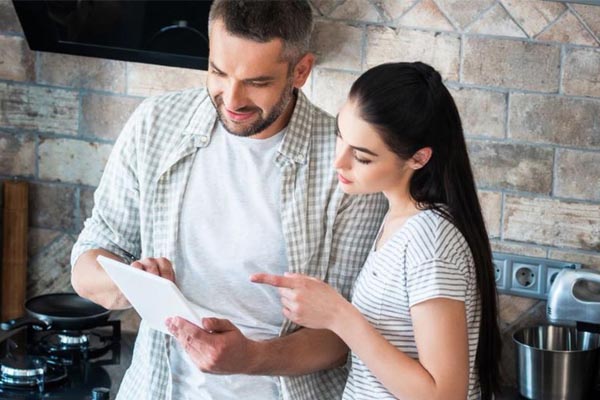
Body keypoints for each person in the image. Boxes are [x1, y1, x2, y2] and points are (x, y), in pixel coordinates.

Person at [70, 1, 387, 400]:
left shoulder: (345, 163)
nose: (232, 99)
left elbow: (343, 337)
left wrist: (249, 358)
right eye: (218, 72)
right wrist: (132, 283)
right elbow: (85, 265)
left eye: (257, 82)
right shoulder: (154, 124)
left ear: (301, 71)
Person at [252, 61, 502, 400]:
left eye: (363, 157)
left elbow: (445, 395)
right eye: (340, 134)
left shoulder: (430, 242)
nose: (339, 161)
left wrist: (339, 316)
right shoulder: (399, 222)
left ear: (418, 158)